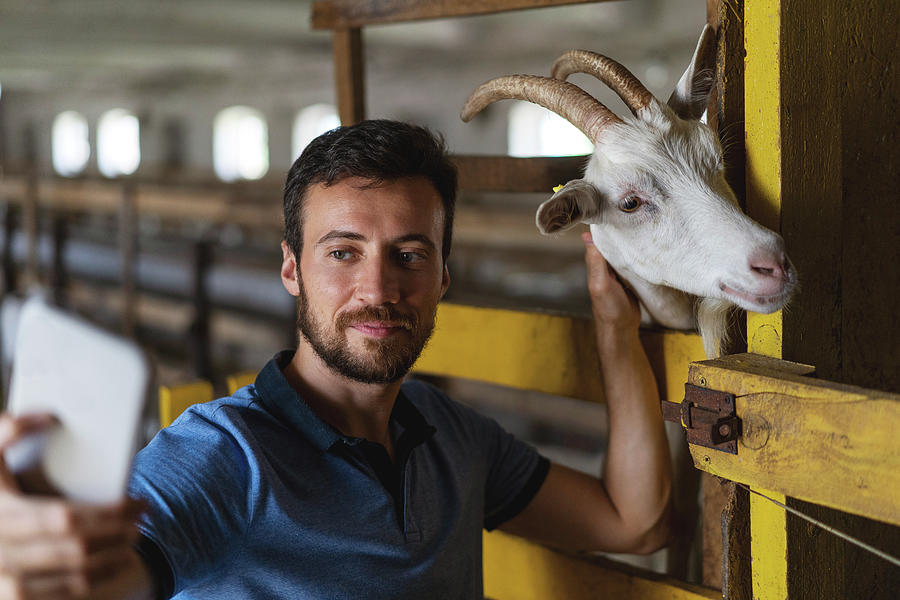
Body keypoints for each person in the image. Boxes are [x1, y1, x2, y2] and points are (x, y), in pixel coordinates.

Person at [0, 120, 671, 599]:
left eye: (409, 255)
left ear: (442, 275)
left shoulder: (455, 440)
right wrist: (36, 561)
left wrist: (613, 326)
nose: (378, 290)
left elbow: (630, 521)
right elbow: (112, 572)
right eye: (342, 252)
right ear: (292, 269)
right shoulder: (221, 456)